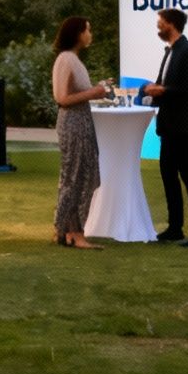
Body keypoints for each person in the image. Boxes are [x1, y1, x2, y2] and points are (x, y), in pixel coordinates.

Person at [141, 8, 188, 246]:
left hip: (183, 124)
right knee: (168, 174)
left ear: (171, 24)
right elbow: (165, 84)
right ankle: (175, 227)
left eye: (161, 23)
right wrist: (151, 90)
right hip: (168, 125)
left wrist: (163, 91)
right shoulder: (170, 53)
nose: (158, 27)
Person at [51, 16, 114, 250]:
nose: (90, 34)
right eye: (88, 30)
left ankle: (67, 231)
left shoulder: (73, 60)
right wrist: (94, 93)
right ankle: (73, 232)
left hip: (81, 121)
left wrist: (95, 88)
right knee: (77, 177)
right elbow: (62, 98)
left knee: (81, 176)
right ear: (78, 33)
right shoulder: (66, 59)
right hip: (73, 124)